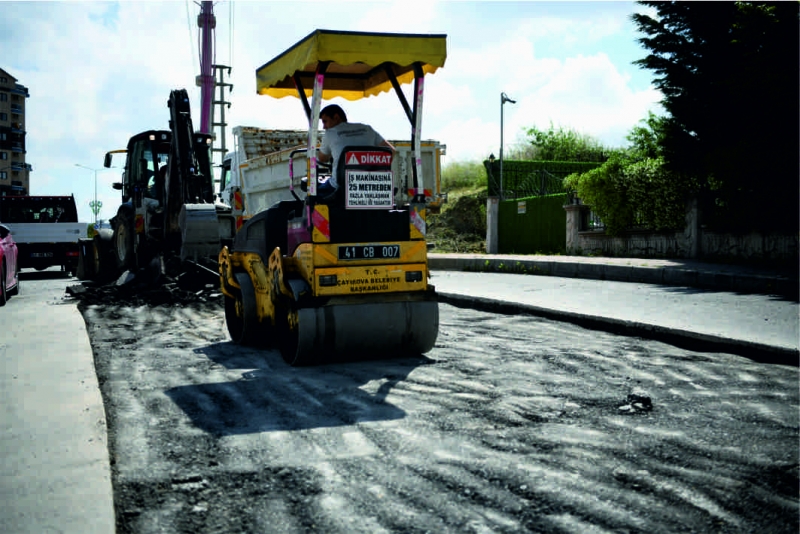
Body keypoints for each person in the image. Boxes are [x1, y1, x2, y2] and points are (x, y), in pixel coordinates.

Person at [316, 104, 394, 196]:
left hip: (340, 187)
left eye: (325, 121)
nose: (324, 127)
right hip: (369, 187)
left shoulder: (330, 133)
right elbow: (391, 151)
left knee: (313, 197)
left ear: (336, 117)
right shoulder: (367, 129)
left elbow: (322, 159)